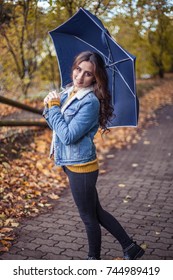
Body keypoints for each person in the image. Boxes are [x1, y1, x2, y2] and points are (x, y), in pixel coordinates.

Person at [43, 51, 145, 260]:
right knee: (96, 212)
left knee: (89, 217)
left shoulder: (90, 102)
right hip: (71, 163)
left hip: (82, 168)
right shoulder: (69, 92)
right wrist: (48, 106)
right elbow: (55, 124)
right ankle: (130, 247)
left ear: (95, 78)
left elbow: (68, 136)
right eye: (78, 69)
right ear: (73, 67)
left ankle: (93, 260)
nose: (80, 77)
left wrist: (53, 110)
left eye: (88, 74)